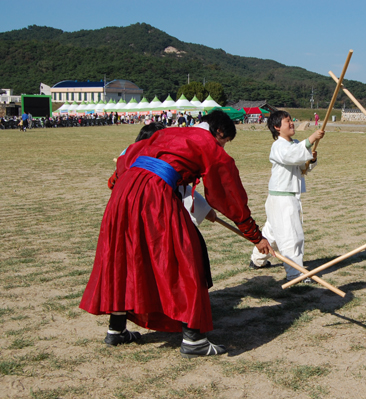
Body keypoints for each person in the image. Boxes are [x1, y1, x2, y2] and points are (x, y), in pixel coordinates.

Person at [80, 110, 272, 358]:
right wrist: (254, 234)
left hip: (124, 192)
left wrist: (121, 183)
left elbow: (126, 158)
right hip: (154, 194)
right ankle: (194, 340)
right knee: (184, 259)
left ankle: (116, 330)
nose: (222, 147)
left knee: (124, 257)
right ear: (220, 133)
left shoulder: (166, 133)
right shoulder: (206, 143)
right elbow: (227, 193)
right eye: (224, 142)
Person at [249, 110, 324, 282]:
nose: (291, 123)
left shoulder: (295, 144)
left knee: (271, 233)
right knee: (292, 235)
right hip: (282, 199)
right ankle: (295, 273)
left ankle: (257, 260)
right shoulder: (279, 146)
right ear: (277, 127)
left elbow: (301, 168)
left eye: (291, 120)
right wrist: (311, 138)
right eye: (287, 121)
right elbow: (292, 155)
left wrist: (310, 161)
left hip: (283, 197)